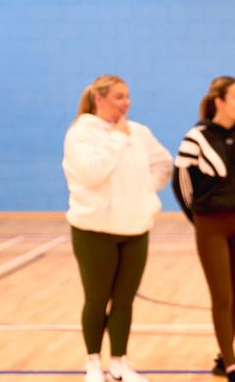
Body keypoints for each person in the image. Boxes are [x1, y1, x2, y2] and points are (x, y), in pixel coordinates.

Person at [62, 75, 173, 382]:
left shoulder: (139, 132)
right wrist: (115, 137)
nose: (127, 102)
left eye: (128, 96)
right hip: (93, 230)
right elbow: (91, 173)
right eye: (119, 97)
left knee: (124, 300)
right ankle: (94, 363)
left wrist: (144, 192)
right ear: (99, 99)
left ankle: (120, 363)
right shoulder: (80, 134)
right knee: (97, 299)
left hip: (136, 228)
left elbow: (164, 164)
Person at [172, 76, 235, 382]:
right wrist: (199, 219)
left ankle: (223, 354)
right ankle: (230, 363)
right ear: (219, 102)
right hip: (210, 224)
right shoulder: (195, 138)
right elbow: (182, 185)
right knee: (222, 294)